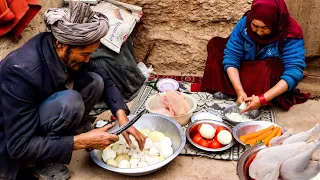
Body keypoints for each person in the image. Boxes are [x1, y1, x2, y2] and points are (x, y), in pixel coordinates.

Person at [0, 2, 145, 180]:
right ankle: (41, 162)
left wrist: (122, 117)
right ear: (62, 45)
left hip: (36, 112)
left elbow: (104, 80)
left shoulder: (62, 47)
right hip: (12, 139)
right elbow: (19, 146)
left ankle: (69, 131)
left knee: (95, 80)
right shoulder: (21, 72)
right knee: (70, 102)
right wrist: (81, 141)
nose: (88, 59)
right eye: (85, 54)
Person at [201, 0, 310, 112]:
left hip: (264, 74)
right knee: (215, 45)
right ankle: (239, 92)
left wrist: (263, 99)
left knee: (273, 66)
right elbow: (231, 57)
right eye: (255, 26)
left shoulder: (290, 32)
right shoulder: (245, 25)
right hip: (244, 68)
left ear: (275, 23)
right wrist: (239, 91)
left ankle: (259, 96)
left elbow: (294, 71)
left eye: (264, 28)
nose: (258, 32)